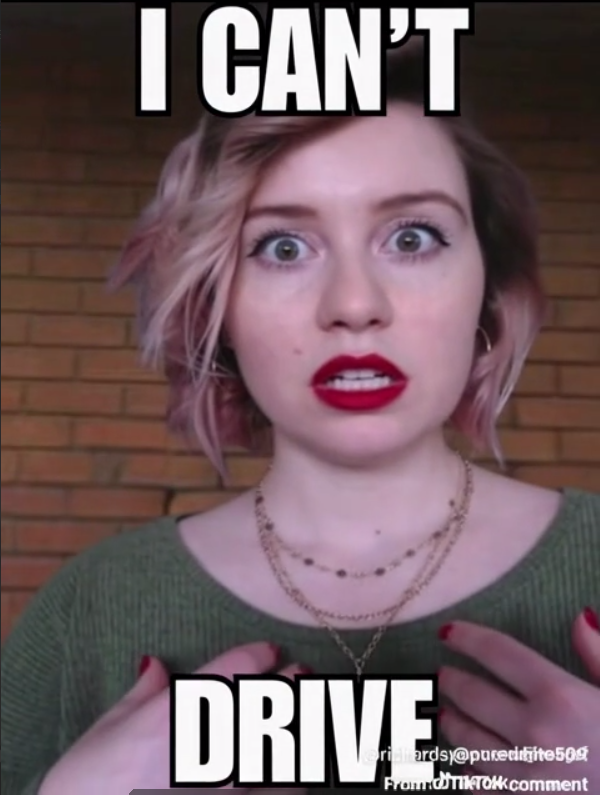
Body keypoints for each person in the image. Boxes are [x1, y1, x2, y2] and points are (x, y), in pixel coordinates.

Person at [1, 47, 598, 795]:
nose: (353, 304)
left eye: (412, 237)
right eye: (283, 247)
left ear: (489, 285)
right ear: (215, 307)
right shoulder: (88, 613)